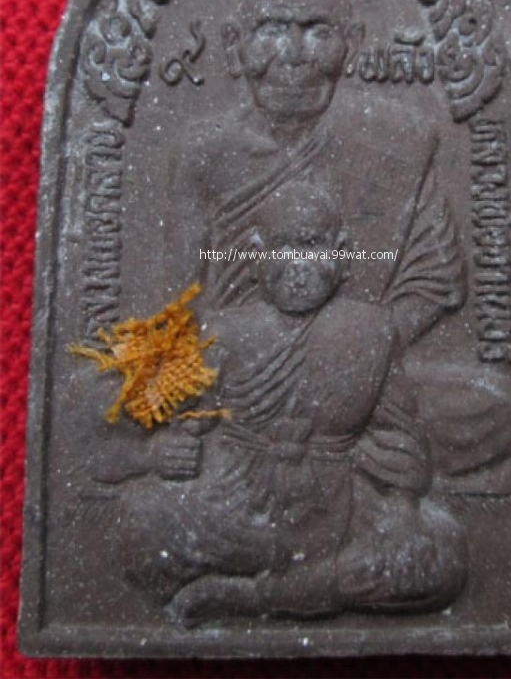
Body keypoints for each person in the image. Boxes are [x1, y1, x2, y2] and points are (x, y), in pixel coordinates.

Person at [117, 182, 466, 624]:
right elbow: (174, 419)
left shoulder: (371, 332)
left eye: (313, 247)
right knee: (142, 525)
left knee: (437, 555)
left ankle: (252, 597)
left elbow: (398, 439)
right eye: (283, 248)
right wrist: (162, 451)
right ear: (257, 253)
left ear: (342, 254)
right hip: (237, 507)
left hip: (337, 509)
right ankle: (307, 585)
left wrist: (400, 504)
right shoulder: (223, 333)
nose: (299, 267)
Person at [168, 0, 466, 350]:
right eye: (271, 30)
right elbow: (177, 304)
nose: (293, 54)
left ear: (352, 44)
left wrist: (356, 347)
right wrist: (238, 348)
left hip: (361, 365)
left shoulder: (398, 143)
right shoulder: (203, 153)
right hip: (228, 362)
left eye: (318, 32)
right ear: (233, 43)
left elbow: (438, 282)